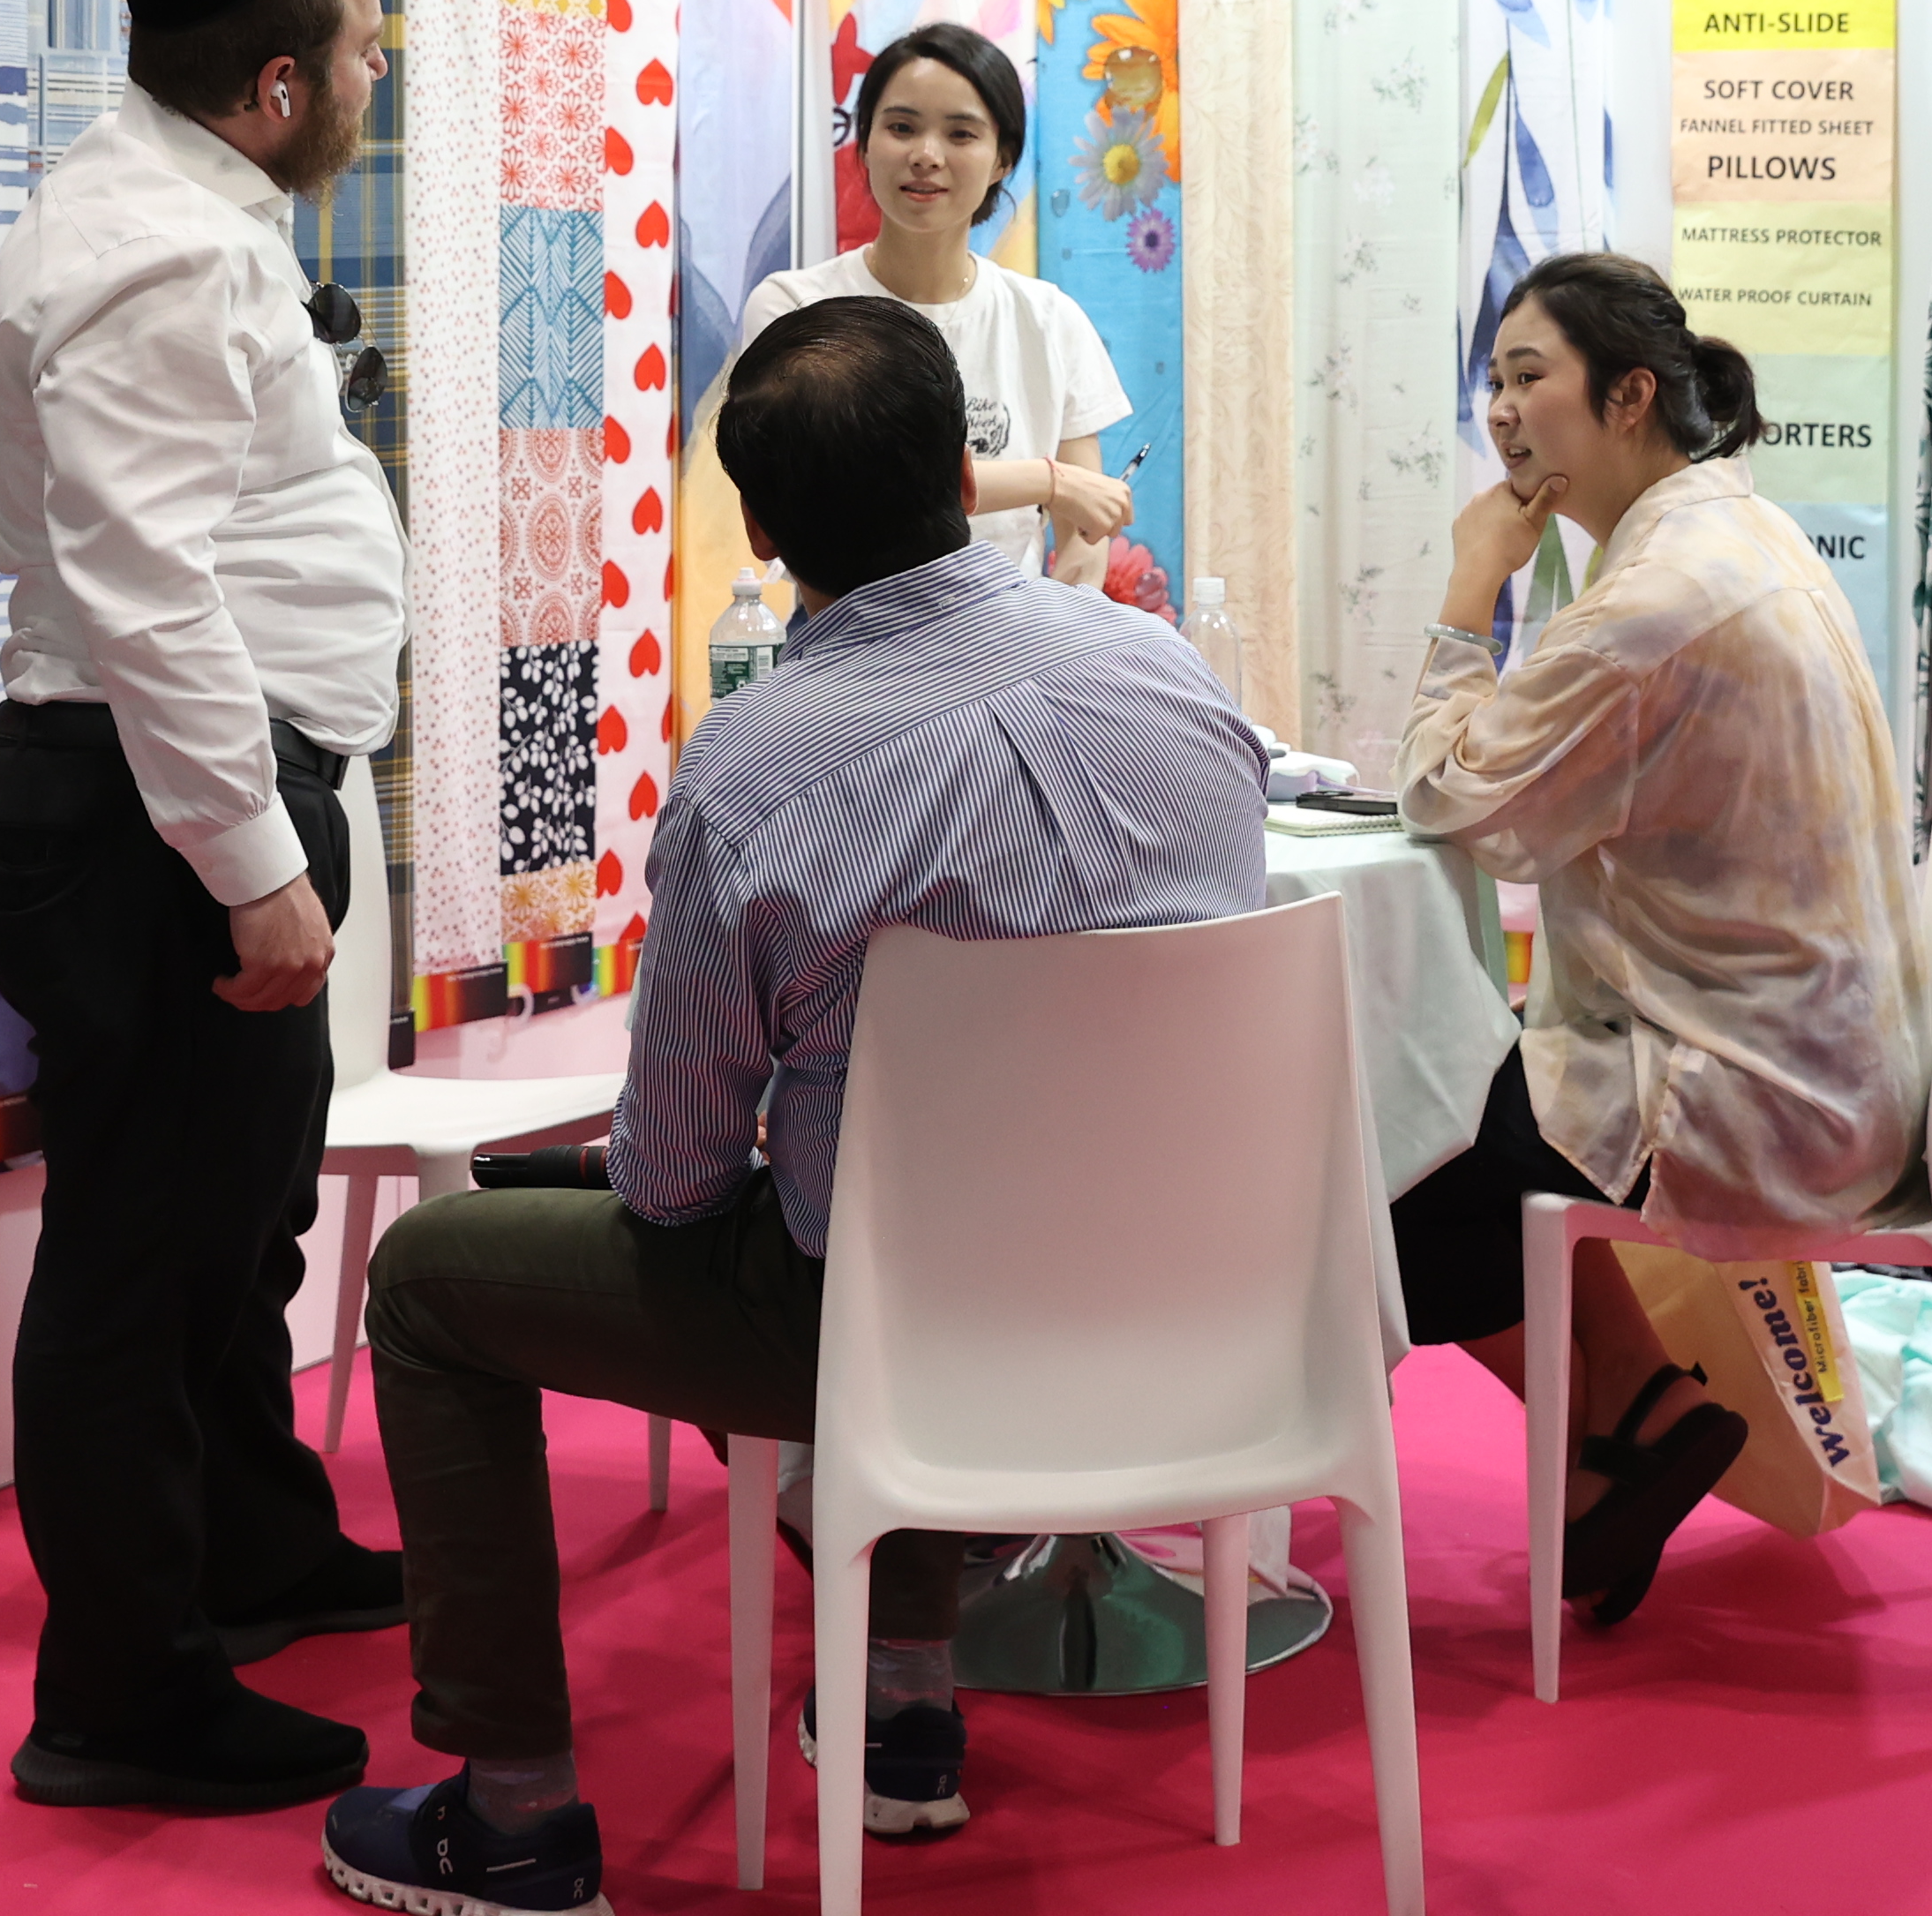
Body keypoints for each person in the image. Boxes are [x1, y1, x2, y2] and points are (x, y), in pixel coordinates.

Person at [319, 295, 1267, 1916]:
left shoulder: (752, 770)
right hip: (1205, 1300)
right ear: (966, 478)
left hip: (900, 1320)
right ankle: (903, 1706)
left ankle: (516, 1811)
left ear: (755, 527)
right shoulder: (1168, 677)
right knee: (875, 1200)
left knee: (432, 1278)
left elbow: (680, 1183)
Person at [0, 0, 410, 1813]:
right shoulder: (163, 259)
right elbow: (145, 599)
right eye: (370, 55)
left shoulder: (178, 218)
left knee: (235, 1222)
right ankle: (120, 1695)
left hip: (186, 797)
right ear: (283, 84)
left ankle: (252, 1550)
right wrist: (253, 863)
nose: (379, 81)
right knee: (142, 1255)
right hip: (154, 816)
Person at [1383, 250, 1930, 1629]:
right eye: (1491, 384)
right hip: (1825, 1056)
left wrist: (1469, 589)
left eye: (1528, 379)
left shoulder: (1652, 599)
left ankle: (1620, 1422)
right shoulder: (1733, 534)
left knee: (1398, 1131)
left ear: (1631, 397)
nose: (1500, 417)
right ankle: (1618, 1435)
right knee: (1432, 1103)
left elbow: (1459, 803)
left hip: (1751, 1088)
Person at [734, 20, 1131, 584]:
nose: (926, 155)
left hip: (1009, 643)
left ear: (1003, 160)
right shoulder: (796, 307)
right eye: (901, 127)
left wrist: (1051, 640)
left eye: (961, 134)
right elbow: (845, 493)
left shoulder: (1049, 321)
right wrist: (1050, 481)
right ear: (864, 143)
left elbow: (1085, 539)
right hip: (849, 643)